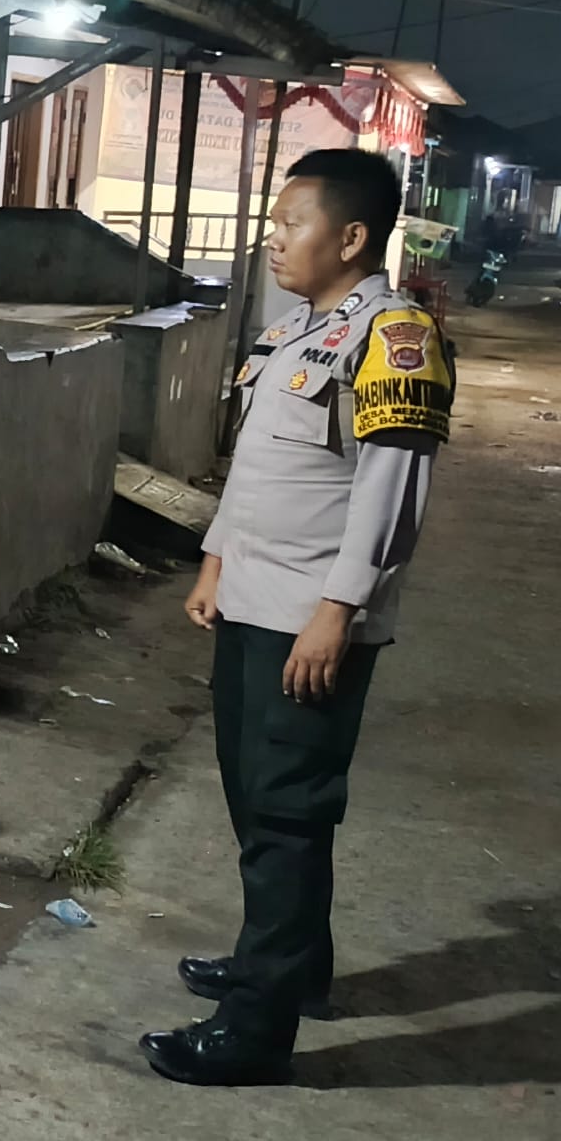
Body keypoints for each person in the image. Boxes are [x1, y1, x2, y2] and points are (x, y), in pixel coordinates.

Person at [140, 149, 455, 1085]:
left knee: (287, 815)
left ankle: (254, 1030)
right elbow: (258, 468)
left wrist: (338, 610)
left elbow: (391, 494)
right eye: (274, 224)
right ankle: (289, 965)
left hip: (310, 619)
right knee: (256, 796)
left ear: (351, 237)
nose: (272, 240)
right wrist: (215, 561)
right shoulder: (297, 331)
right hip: (252, 600)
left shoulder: (395, 337)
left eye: (291, 224)